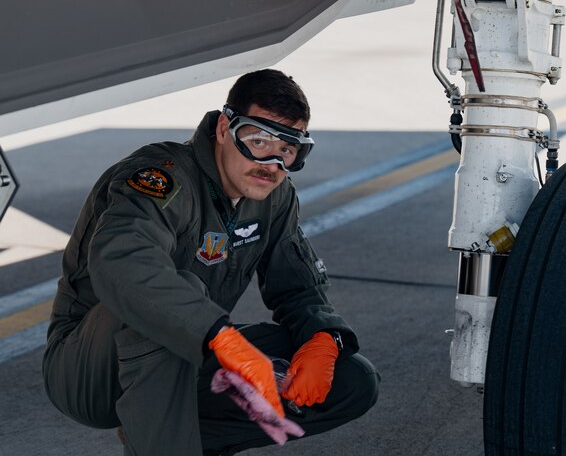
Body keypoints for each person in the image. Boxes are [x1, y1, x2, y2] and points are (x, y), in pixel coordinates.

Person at [42, 69, 380, 456]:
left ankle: (176, 440)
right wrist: (220, 338)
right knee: (178, 294)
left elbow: (299, 286)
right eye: (257, 140)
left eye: (287, 151)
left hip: (191, 353)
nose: (271, 164)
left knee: (354, 379)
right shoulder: (164, 177)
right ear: (224, 128)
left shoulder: (274, 196)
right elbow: (121, 261)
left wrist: (323, 338)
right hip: (88, 372)